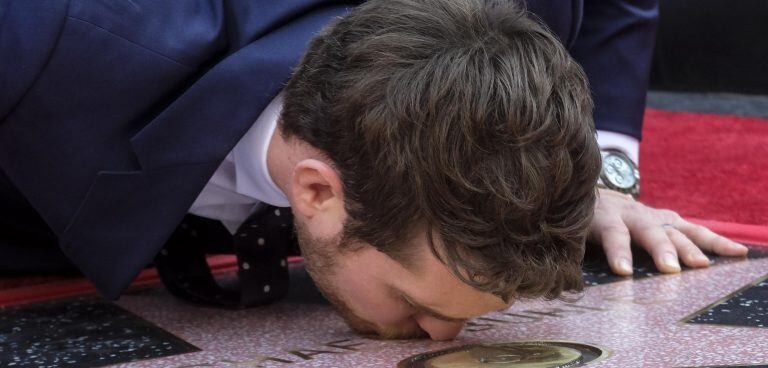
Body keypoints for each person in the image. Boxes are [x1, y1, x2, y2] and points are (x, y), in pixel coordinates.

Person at [0, 0, 747, 341]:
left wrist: (598, 171)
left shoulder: (536, 14)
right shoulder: (44, 38)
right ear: (317, 190)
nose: (442, 337)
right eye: (418, 301)